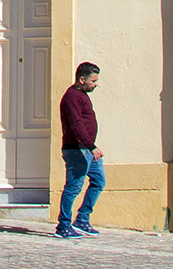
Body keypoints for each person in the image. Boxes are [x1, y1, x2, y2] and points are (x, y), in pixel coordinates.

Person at [57, 61, 103, 238]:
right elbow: (76, 124)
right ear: (82, 79)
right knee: (73, 188)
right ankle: (63, 225)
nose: (95, 84)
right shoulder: (72, 97)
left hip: (87, 150)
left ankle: (82, 219)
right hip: (77, 150)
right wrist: (91, 146)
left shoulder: (82, 95)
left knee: (99, 181)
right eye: (93, 81)